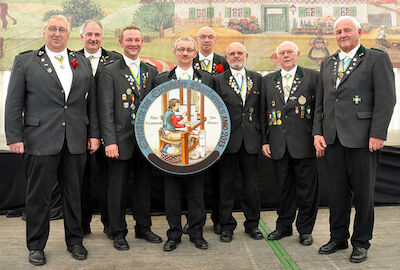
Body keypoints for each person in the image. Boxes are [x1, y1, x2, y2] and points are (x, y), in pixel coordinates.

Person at [5, 15, 100, 265]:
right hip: (40, 139)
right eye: (52, 29)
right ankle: (36, 246)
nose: (57, 33)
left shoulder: (81, 62)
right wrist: (14, 136)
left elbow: (89, 104)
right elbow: (13, 103)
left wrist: (93, 135)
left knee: (74, 194)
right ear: (44, 32)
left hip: (76, 139)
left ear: (68, 34)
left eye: (62, 29)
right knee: (39, 196)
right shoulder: (25, 61)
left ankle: (75, 240)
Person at [313, 16, 396, 263]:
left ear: (359, 31)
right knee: (337, 193)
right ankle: (338, 238)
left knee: (363, 194)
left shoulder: (376, 59)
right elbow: (321, 102)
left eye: (347, 30)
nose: (342, 35)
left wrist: (378, 133)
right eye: (338, 31)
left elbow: (386, 99)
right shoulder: (327, 63)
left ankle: (361, 242)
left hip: (363, 140)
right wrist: (318, 132)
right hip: (333, 139)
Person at [97, 26, 162, 251]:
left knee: (143, 187)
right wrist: (110, 141)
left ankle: (143, 228)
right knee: (117, 189)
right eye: (129, 40)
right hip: (119, 140)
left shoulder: (151, 71)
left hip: (145, 143)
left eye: (137, 40)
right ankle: (118, 231)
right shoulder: (109, 70)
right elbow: (104, 109)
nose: (133, 43)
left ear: (142, 42)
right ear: (121, 42)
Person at [154, 36, 214, 251]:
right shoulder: (160, 80)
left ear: (195, 53)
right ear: (175, 52)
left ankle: (197, 234)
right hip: (171, 147)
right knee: (171, 193)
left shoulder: (208, 79)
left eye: (190, 50)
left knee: (196, 192)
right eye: (181, 49)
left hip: (197, 146)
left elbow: (215, 111)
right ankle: (174, 235)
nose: (186, 53)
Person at [261, 41, 319, 246]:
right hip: (278, 144)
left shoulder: (313, 76)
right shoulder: (267, 80)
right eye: (282, 53)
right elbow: (262, 113)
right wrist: (265, 140)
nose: (286, 55)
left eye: (290, 52)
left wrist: (317, 135)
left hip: (304, 143)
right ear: (277, 57)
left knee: (306, 190)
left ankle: (305, 230)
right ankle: (283, 227)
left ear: (298, 54)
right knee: (283, 189)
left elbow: (319, 110)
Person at [214, 42, 263, 243]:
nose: (236, 56)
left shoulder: (257, 79)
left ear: (246, 55)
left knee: (251, 186)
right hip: (227, 141)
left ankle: (252, 225)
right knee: (226, 186)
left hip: (251, 141)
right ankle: (226, 226)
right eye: (232, 53)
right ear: (226, 57)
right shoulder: (218, 80)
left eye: (239, 53)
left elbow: (262, 110)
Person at [77, 19, 121, 237]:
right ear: (82, 37)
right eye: (89, 34)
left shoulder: (116, 59)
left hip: (109, 132)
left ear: (103, 37)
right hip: (78, 131)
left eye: (97, 35)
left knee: (108, 181)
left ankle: (110, 223)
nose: (93, 38)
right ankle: (82, 224)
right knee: (80, 182)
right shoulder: (70, 58)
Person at [189, 26, 229, 235]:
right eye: (202, 36)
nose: (206, 40)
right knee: (194, 177)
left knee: (218, 178)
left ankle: (219, 219)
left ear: (215, 40)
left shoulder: (223, 62)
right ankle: (193, 220)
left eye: (210, 37)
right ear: (197, 40)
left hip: (215, 127)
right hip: (193, 127)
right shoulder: (189, 61)